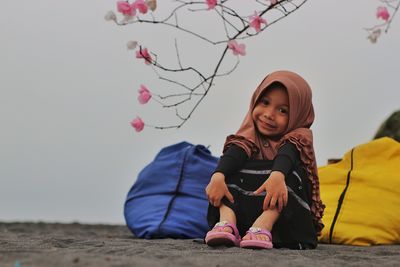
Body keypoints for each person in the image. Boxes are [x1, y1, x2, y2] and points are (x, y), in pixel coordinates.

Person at [204, 70, 325, 249]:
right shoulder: (248, 134)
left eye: (283, 110)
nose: (269, 114)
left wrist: (277, 176)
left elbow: (287, 154)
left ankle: (263, 225)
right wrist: (218, 175)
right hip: (244, 216)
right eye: (265, 102)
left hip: (285, 219)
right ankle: (227, 222)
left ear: (298, 113)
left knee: (291, 173)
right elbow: (235, 153)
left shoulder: (299, 136)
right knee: (227, 172)